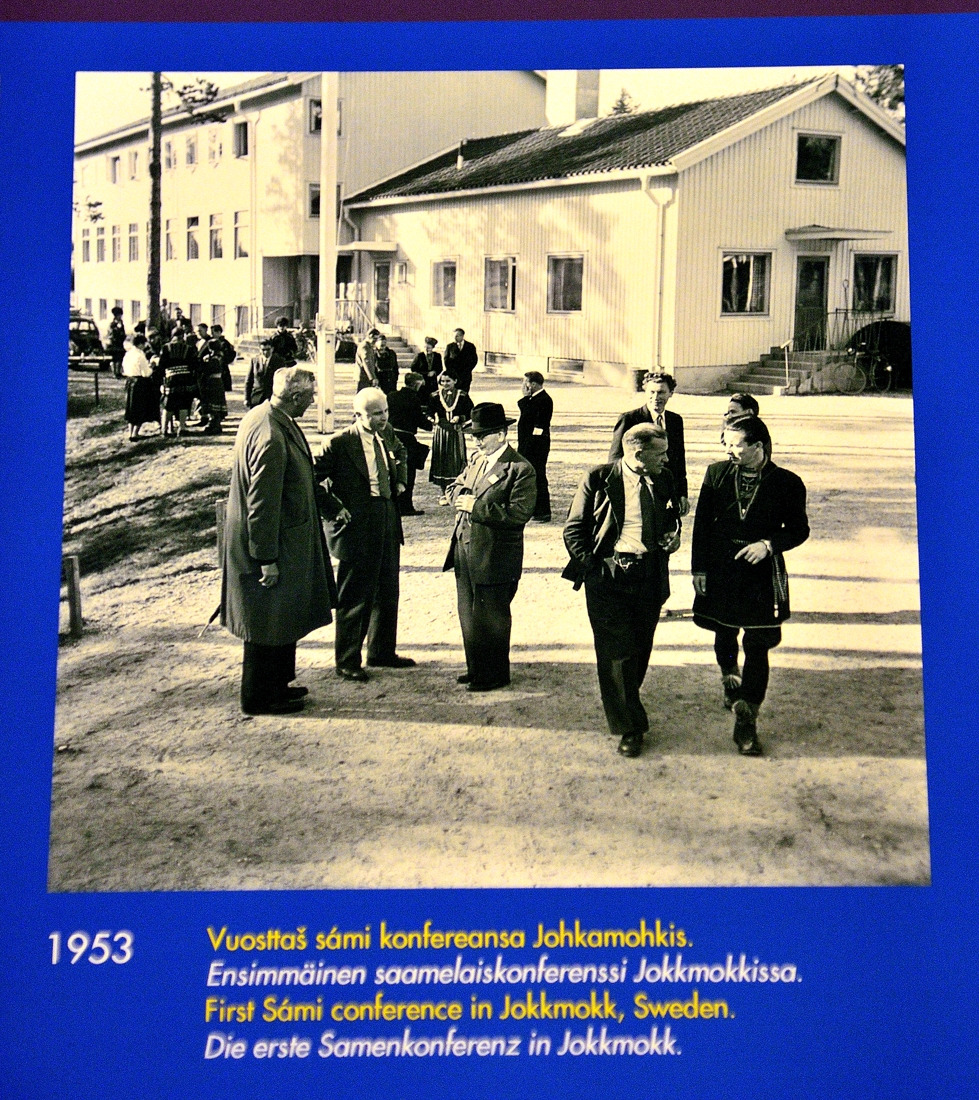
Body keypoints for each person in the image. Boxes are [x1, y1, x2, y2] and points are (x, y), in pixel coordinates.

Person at [221, 368, 337, 716]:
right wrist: (266, 559)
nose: (313, 401)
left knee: (282, 615)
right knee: (265, 620)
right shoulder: (271, 436)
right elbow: (262, 504)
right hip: (273, 544)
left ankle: (278, 683)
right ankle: (259, 697)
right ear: (296, 397)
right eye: (310, 396)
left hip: (285, 538)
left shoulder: (266, 416)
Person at [691, 415, 809, 757]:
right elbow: (702, 524)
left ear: (758, 446)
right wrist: (699, 568)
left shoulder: (788, 482)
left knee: (758, 644)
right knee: (724, 632)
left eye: (736, 444)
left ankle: (747, 718)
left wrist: (769, 545)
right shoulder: (716, 474)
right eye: (726, 443)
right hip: (722, 568)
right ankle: (730, 677)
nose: (729, 451)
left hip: (761, 573)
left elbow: (799, 530)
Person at [563, 425, 681, 757]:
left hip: (650, 575)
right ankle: (630, 726)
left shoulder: (663, 478)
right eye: (661, 453)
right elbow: (573, 530)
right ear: (638, 454)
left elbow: (671, 517)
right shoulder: (598, 478)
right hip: (608, 578)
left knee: (640, 648)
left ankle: (627, 698)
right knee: (616, 653)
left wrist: (672, 536)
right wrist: (594, 570)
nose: (667, 459)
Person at [316, 387, 414, 681]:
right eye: (375, 414)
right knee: (356, 594)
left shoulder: (386, 432)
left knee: (387, 589)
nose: (383, 418)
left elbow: (402, 451)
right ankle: (347, 660)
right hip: (357, 524)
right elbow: (312, 479)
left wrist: (400, 481)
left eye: (385, 411)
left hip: (386, 516)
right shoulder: (338, 443)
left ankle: (381, 652)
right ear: (358, 415)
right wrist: (334, 509)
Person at [443, 402, 536, 692]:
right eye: (474, 435)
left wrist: (476, 506)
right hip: (464, 548)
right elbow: (454, 487)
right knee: (468, 613)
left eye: (482, 436)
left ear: (501, 434)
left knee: (492, 616)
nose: (477, 441)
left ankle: (495, 674)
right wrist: (460, 495)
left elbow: (519, 514)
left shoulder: (520, 469)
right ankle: (476, 669)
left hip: (495, 553)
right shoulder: (476, 461)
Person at [608, 371, 689, 516]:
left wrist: (682, 493)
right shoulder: (629, 419)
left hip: (666, 489)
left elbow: (679, 460)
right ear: (645, 391)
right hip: (638, 487)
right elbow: (615, 458)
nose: (656, 397)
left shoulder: (675, 420)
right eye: (652, 392)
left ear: (670, 393)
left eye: (661, 392)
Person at [386, 372, 433, 516]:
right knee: (408, 472)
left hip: (390, 436)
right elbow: (420, 420)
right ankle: (406, 506)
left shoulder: (391, 396)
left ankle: (392, 504)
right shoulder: (414, 399)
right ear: (416, 384)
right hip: (406, 438)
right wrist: (430, 423)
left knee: (391, 470)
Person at [428, 372, 473, 505]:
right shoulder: (435, 396)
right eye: (442, 381)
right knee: (441, 459)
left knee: (456, 459)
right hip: (441, 432)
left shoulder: (463, 396)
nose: (445, 384)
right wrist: (433, 418)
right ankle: (443, 492)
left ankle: (455, 491)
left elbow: (470, 412)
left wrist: (460, 417)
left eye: (448, 381)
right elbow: (429, 411)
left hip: (455, 432)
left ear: (455, 381)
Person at [517, 370, 553, 523]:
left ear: (532, 384)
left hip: (536, 445)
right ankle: (533, 508)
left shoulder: (543, 400)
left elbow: (537, 426)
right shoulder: (534, 399)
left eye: (525, 382)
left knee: (538, 476)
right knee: (531, 476)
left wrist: (528, 447)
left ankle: (543, 511)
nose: (523, 385)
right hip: (529, 443)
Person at [158, 326, 198, 438]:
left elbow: (161, 365)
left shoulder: (165, 348)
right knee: (183, 404)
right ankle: (182, 428)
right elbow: (194, 364)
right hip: (185, 378)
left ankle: (164, 430)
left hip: (170, 379)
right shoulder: (189, 348)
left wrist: (162, 379)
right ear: (182, 336)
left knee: (168, 404)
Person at [197, 324, 236, 434]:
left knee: (213, 403)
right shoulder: (219, 356)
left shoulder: (214, 359)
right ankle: (214, 423)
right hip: (218, 382)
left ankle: (215, 424)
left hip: (213, 382)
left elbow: (208, 369)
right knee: (216, 402)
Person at [120, 334, 159, 442]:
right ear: (141, 344)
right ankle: (135, 433)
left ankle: (130, 432)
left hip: (129, 380)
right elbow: (146, 373)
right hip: (139, 383)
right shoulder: (140, 355)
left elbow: (124, 368)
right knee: (140, 408)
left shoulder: (128, 354)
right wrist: (152, 365)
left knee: (131, 408)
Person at [245, 339, 289, 408]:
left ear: (272, 349)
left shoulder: (279, 361)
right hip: (256, 398)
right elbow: (249, 381)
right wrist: (247, 398)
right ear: (259, 350)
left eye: (268, 349)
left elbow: (283, 381)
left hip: (272, 398)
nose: (265, 352)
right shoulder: (254, 361)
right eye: (263, 350)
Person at [443, 327, 478, 393]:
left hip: (465, 375)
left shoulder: (470, 346)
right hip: (454, 376)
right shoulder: (450, 346)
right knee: (454, 394)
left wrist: (467, 370)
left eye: (457, 336)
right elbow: (446, 360)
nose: (455, 338)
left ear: (462, 336)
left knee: (464, 394)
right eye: (454, 336)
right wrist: (451, 372)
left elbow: (474, 360)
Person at [106, 306, 127, 379]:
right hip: (114, 343)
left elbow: (123, 331)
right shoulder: (112, 324)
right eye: (119, 315)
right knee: (115, 358)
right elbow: (112, 333)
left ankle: (119, 372)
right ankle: (115, 372)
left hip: (120, 343)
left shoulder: (121, 323)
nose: (120, 317)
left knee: (120, 358)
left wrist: (123, 335)